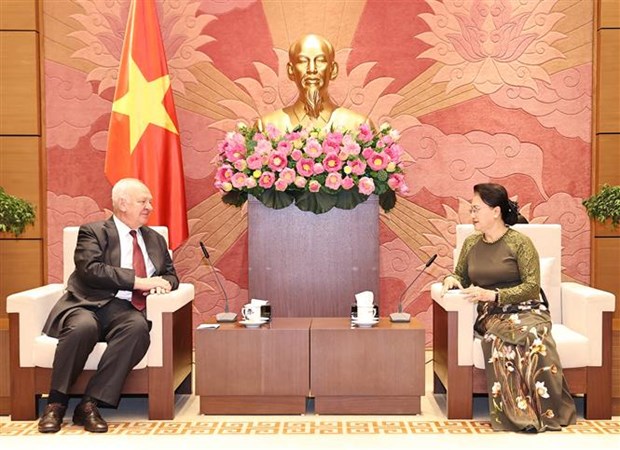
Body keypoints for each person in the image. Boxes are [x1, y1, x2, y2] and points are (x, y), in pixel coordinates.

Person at [37, 178, 179, 433]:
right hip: (86, 303)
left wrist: (165, 284)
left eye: (150, 202)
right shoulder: (93, 231)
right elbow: (90, 270)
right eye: (143, 201)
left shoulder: (155, 239)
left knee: (137, 329)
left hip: (123, 309)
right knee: (82, 328)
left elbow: (171, 274)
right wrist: (139, 282)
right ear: (122, 204)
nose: (150, 206)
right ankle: (56, 404)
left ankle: (89, 404)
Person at [441, 183, 576, 432]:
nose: (472, 215)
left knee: (533, 336)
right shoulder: (471, 244)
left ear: (496, 211)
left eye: (476, 209)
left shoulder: (520, 243)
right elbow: (460, 275)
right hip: (492, 314)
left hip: (528, 309)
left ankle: (549, 412)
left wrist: (493, 295)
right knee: (495, 339)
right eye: (471, 210)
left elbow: (532, 287)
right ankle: (518, 416)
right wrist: (450, 280)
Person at [257, 33, 369, 132]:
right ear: (291, 70)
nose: (311, 69)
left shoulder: (359, 127)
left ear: (333, 69)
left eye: (320, 61)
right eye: (302, 61)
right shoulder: (267, 127)